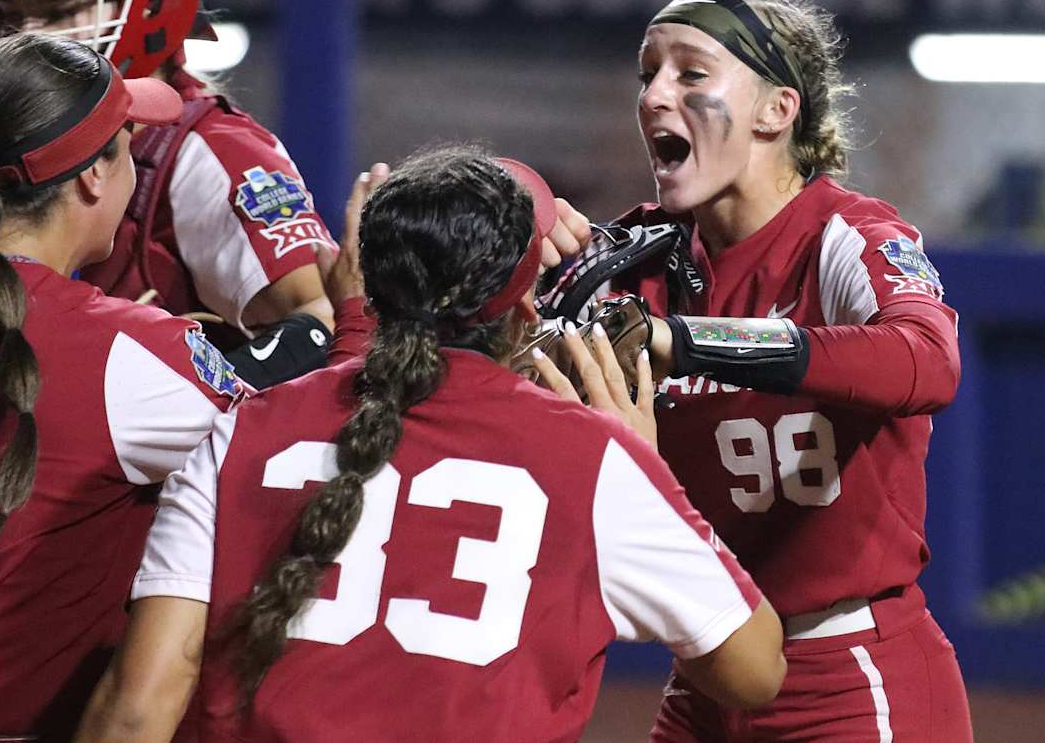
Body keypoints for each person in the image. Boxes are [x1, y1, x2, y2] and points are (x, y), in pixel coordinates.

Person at [72, 145, 786, 743]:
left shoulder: (244, 430)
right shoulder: (595, 459)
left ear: (365, 282)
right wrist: (654, 471)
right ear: (526, 306)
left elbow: (137, 710)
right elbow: (756, 672)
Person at [0, 32, 249, 741]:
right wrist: (351, 323)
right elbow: (297, 456)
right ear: (95, 176)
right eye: (126, 141)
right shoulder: (133, 351)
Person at [609, 0, 971, 740]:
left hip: (851, 674)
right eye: (648, 74)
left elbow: (927, 362)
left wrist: (692, 342)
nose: (653, 97)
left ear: (779, 109)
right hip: (709, 672)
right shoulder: (635, 263)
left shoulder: (847, 239)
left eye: (690, 73)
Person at [0, 0, 337, 389]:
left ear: (152, 4)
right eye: (8, 16)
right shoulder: (12, 135)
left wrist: (193, 396)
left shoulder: (212, 152)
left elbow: (326, 318)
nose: (24, 40)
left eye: (58, 11)